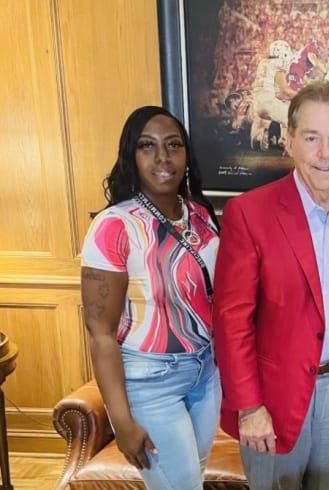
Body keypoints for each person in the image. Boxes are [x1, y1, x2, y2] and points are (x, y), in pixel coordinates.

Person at [213, 80, 329, 490]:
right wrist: (249, 406)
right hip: (271, 397)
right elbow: (231, 320)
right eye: (312, 138)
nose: (325, 154)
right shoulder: (248, 214)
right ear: (290, 140)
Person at [80, 106, 222, 489]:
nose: (163, 157)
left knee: (193, 477)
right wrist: (122, 421)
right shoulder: (114, 226)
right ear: (132, 156)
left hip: (206, 373)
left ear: (186, 157)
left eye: (173, 145)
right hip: (150, 380)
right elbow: (100, 333)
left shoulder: (201, 216)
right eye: (148, 146)